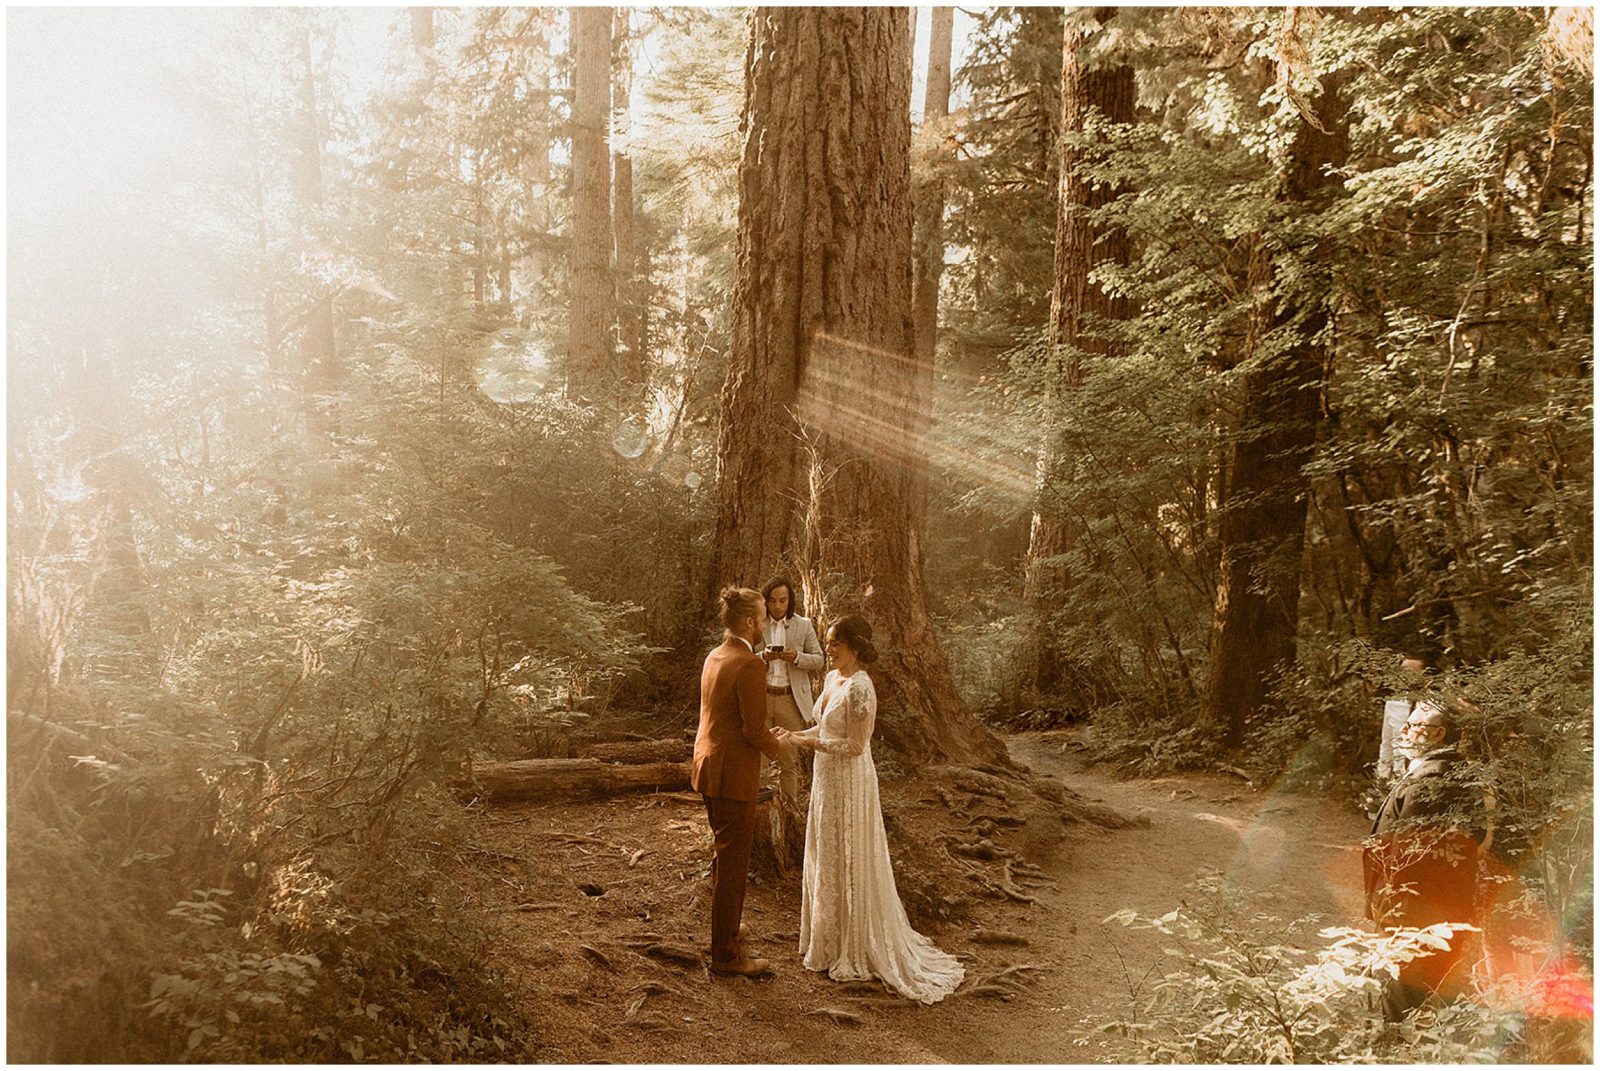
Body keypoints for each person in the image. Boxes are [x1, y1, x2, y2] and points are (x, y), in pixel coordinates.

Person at [775, 615, 965, 1004]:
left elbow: (854, 746)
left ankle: (857, 944)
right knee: (827, 855)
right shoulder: (831, 680)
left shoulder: (862, 689)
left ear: (856, 648)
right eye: (827, 642)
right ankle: (827, 944)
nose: (828, 649)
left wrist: (804, 743)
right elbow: (825, 731)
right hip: (827, 780)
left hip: (851, 782)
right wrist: (794, 736)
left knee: (849, 855)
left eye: (835, 644)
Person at [1363, 701, 1489, 1021]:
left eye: (1412, 724)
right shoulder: (1453, 772)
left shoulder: (1430, 780)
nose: (1403, 730)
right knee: (1431, 994)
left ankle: (1395, 1055)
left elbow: (1411, 857)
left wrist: (1393, 915)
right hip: (1440, 911)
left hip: (1414, 915)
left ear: (1437, 733)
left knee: (1404, 996)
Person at [691, 586, 792, 978]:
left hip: (708, 767)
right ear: (749, 622)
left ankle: (726, 929)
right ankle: (726, 956)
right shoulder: (750, 664)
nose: (767, 623)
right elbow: (753, 729)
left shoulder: (715, 655)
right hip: (732, 774)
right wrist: (777, 744)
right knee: (732, 864)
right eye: (764, 617)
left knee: (724, 857)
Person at [754, 577, 825, 807]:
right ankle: (754, 808)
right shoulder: (756, 624)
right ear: (765, 602)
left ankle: (790, 810)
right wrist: (763, 657)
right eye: (772, 601)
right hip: (762, 696)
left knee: (789, 760)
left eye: (782, 601)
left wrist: (796, 657)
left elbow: (819, 659)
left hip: (790, 699)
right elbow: (742, 657)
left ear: (789, 601)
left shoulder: (802, 625)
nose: (777, 606)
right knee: (757, 757)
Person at [1376, 652, 1435, 789]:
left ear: (1426, 676)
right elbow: (1387, 743)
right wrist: (1382, 775)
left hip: (1426, 778)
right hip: (1397, 779)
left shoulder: (1436, 705)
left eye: (1412, 673)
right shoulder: (1392, 704)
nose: (1405, 678)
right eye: (1403, 673)